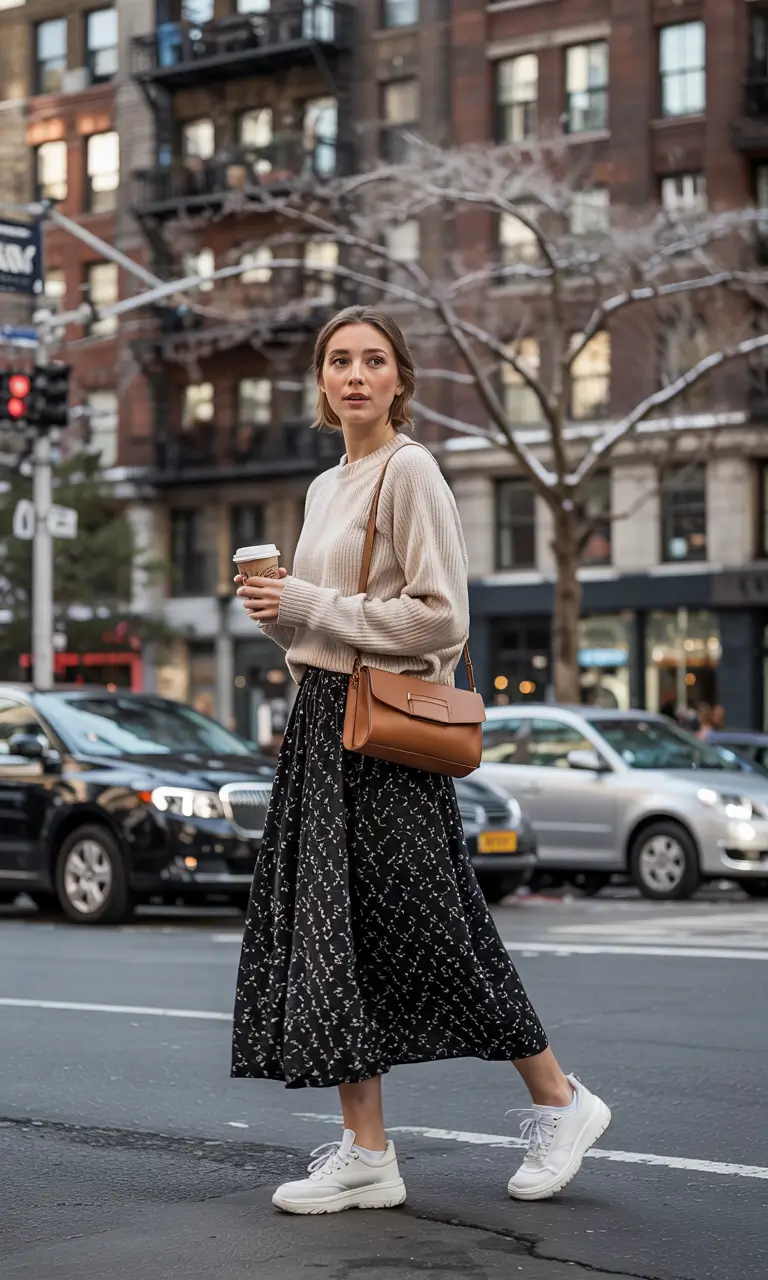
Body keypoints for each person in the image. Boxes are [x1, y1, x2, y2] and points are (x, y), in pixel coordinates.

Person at [230, 305, 611, 1215]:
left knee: (435, 921)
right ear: (321, 382)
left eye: (371, 361)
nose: (354, 375)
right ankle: (367, 1151)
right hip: (320, 720)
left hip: (385, 729)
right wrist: (279, 614)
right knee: (331, 933)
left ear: (399, 379)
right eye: (337, 361)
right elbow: (320, 621)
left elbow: (442, 620)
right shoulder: (330, 486)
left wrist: (312, 604)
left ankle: (562, 1101)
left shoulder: (411, 470)